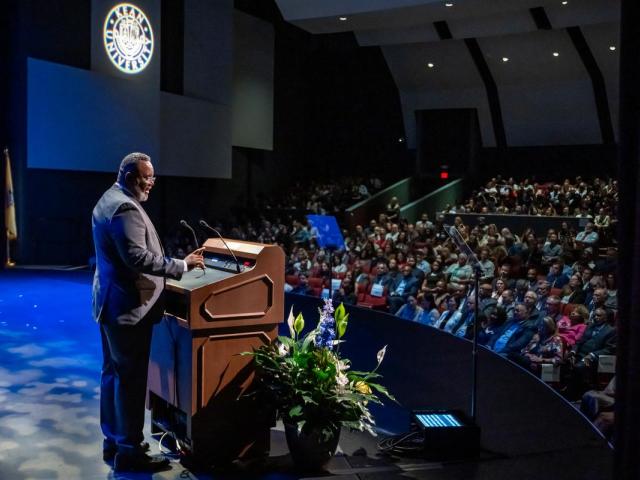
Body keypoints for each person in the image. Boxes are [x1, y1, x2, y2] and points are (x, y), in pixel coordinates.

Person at [92, 152, 205, 473]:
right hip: (128, 309)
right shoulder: (125, 207)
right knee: (129, 381)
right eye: (147, 178)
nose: (152, 184)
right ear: (131, 177)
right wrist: (183, 264)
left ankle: (113, 441)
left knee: (113, 375)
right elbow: (137, 258)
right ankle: (129, 451)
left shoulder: (107, 199)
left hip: (110, 304)